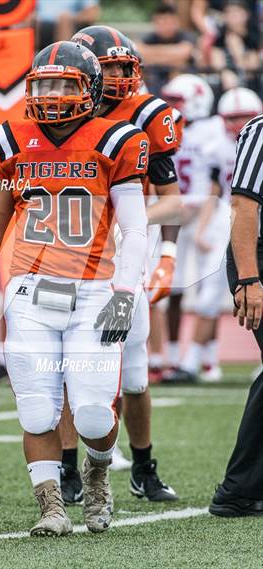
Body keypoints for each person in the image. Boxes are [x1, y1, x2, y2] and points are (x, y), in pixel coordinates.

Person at [0, 40, 149, 536]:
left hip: (95, 290)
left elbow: (136, 228)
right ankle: (51, 507)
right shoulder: (8, 140)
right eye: (44, 85)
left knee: (92, 415)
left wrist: (125, 292)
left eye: (64, 84)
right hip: (30, 289)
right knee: (38, 408)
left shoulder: (117, 140)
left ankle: (98, 471)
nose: (52, 94)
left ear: (90, 89)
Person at [57, 25, 181, 504]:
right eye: (106, 69)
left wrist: (161, 250)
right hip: (68, 258)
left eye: (122, 68)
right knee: (66, 368)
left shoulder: (146, 114)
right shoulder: (59, 114)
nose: (115, 78)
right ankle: (67, 469)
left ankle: (143, 466)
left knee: (133, 372)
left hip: (123, 257)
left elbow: (173, 200)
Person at [180, 87, 262, 383]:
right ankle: (194, 361)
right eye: (233, 117)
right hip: (226, 217)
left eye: (245, 116)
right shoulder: (217, 147)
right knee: (210, 296)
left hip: (253, 216)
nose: (239, 123)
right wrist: (203, 228)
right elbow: (215, 191)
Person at [209, 113, 263, 517]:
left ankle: (242, 488)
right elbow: (243, 206)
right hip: (257, 256)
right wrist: (249, 278)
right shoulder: (260, 131)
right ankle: (238, 489)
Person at [159, 74, 221, 381]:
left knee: (211, 285)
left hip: (206, 213)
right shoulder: (165, 128)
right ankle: (173, 356)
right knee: (174, 287)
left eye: (177, 100)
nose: (171, 105)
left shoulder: (214, 130)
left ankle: (209, 358)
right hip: (175, 214)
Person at [137, 4, 196, 95]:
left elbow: (184, 53)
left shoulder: (186, 36)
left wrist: (151, 58)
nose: (166, 26)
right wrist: (173, 56)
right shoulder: (149, 37)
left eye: (169, 22)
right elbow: (139, 52)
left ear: (176, 21)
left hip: (182, 85)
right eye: (162, 22)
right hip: (153, 82)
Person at [35, 0, 100, 51]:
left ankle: (64, 56)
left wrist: (71, 17)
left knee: (64, 18)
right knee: (33, 19)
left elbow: (92, 13)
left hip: (69, 24)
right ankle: (33, 60)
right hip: (41, 24)